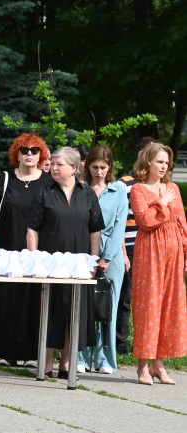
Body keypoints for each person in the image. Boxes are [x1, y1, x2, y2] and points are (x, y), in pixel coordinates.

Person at [27, 147, 103, 379]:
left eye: (59, 164)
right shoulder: (44, 192)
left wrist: (94, 261)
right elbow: (32, 228)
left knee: (74, 312)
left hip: (80, 265)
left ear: (74, 168)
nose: (53, 167)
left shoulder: (87, 194)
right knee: (51, 311)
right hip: (50, 265)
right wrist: (35, 259)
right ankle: (46, 362)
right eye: (52, 163)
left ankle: (67, 363)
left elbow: (95, 230)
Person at [0, 134, 53, 366]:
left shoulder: (49, 183)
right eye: (24, 150)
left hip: (37, 253)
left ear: (41, 155)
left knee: (34, 300)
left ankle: (33, 353)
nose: (29, 154)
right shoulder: (3, 180)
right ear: (17, 154)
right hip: (6, 250)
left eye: (34, 150)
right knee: (7, 299)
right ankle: (7, 352)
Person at [130, 143, 187, 385]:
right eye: (159, 161)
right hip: (150, 251)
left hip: (173, 252)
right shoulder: (138, 189)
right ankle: (143, 365)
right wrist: (162, 202)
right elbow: (145, 221)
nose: (163, 166)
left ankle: (159, 364)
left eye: (166, 162)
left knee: (169, 306)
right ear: (148, 163)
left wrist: (185, 253)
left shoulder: (173, 187)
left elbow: (181, 222)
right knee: (148, 305)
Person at [77, 146, 128, 374]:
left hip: (112, 257)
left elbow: (119, 226)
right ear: (88, 166)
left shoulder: (119, 190)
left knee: (108, 309)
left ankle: (105, 360)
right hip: (84, 253)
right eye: (95, 167)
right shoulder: (80, 188)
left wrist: (106, 257)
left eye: (103, 167)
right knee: (84, 307)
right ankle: (81, 356)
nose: (99, 172)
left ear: (110, 168)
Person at [114, 137, 158, 355]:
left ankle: (147, 341)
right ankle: (120, 341)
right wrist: (122, 250)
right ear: (142, 154)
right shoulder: (124, 183)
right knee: (125, 296)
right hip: (130, 246)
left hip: (151, 247)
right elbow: (118, 219)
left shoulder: (157, 184)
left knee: (148, 297)